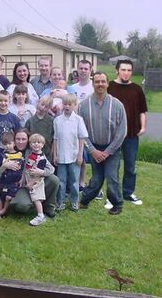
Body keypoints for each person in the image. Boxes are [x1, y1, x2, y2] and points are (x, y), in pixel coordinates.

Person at [78, 72, 127, 215]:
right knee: (97, 179)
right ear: (93, 84)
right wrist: (92, 151)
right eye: (97, 81)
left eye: (103, 81)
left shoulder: (117, 105)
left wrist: (108, 152)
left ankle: (117, 204)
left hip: (113, 148)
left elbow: (122, 131)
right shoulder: (83, 106)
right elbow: (81, 132)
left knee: (112, 177)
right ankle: (84, 200)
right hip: (94, 148)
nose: (100, 84)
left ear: (107, 84)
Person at [107, 59, 147, 208]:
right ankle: (112, 196)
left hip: (131, 135)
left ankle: (128, 192)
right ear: (117, 70)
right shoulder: (109, 87)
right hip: (113, 135)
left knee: (130, 166)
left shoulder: (137, 89)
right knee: (113, 167)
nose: (126, 73)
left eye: (129, 70)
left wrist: (143, 127)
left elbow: (142, 111)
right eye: (123, 69)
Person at [0, 129, 58, 218]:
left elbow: (51, 169)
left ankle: (48, 207)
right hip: (18, 186)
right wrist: (4, 167)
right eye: (18, 139)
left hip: (34, 182)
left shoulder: (34, 151)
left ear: (28, 141)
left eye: (23, 139)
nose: (20, 142)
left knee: (54, 179)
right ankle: (28, 202)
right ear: (14, 141)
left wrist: (41, 172)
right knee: (22, 206)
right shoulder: (7, 153)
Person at [70, 59, 100, 198]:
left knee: (94, 158)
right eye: (80, 68)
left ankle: (96, 186)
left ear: (90, 70)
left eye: (85, 68)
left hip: (91, 128)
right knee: (80, 156)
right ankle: (81, 182)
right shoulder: (72, 88)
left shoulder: (94, 87)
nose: (83, 71)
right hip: (76, 128)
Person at [53, 94, 88, 212]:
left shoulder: (78, 120)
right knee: (61, 181)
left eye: (70, 104)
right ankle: (60, 201)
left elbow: (81, 138)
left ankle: (74, 201)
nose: (67, 106)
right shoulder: (57, 120)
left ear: (74, 106)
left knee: (74, 181)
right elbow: (55, 139)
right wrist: (55, 155)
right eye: (65, 104)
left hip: (74, 156)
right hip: (61, 156)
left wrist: (80, 155)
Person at [23, 133, 48, 226]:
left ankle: (40, 216)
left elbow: (38, 174)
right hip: (29, 177)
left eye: (38, 142)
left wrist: (31, 183)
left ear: (42, 145)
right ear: (30, 144)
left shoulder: (41, 158)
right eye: (33, 142)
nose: (36, 144)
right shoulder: (31, 154)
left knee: (36, 198)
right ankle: (38, 212)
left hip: (35, 181)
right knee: (35, 198)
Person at [24, 96, 54, 163]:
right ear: (38, 103)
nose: (43, 108)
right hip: (32, 153)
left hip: (47, 153)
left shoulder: (51, 121)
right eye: (42, 105)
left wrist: (52, 152)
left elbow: (54, 138)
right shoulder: (30, 121)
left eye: (46, 107)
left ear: (49, 108)